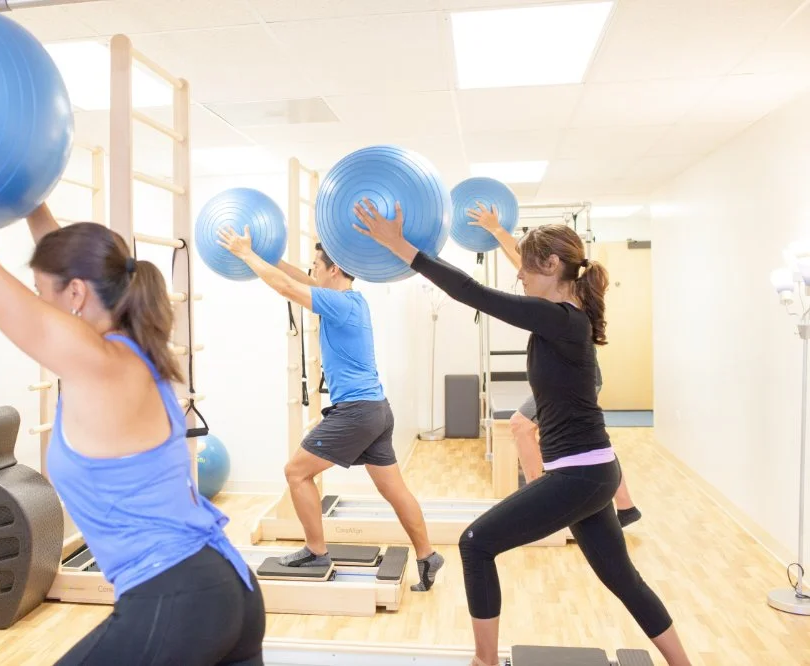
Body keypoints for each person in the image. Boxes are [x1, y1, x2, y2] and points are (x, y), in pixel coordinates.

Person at [0, 79, 265, 665]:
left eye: (40, 293)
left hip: (175, 597)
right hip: (226, 588)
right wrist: (25, 193)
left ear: (76, 295)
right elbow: (59, 255)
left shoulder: (97, 364)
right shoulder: (132, 349)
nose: (36, 305)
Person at [353, 200, 691, 666]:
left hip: (580, 476)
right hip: (595, 472)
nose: (519, 276)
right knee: (623, 578)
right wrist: (500, 234)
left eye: (528, 269)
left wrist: (401, 247)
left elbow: (473, 293)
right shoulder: (564, 313)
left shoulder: (562, 320)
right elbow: (521, 273)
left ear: (552, 266)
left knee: (476, 544)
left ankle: (484, 661)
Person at [217, 226, 444, 591]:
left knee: (296, 472)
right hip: (376, 409)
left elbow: (288, 288)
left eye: (316, 266)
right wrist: (267, 254)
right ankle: (427, 555)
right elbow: (297, 278)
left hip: (355, 411)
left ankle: (316, 550)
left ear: (333, 270)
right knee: (395, 490)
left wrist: (245, 255)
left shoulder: (338, 304)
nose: (312, 272)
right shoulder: (352, 299)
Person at [468, 204, 642, 528]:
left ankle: (541, 502)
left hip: (580, 377)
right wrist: (494, 229)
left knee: (520, 425)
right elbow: (522, 261)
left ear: (553, 264)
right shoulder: (563, 289)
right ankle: (627, 506)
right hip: (581, 376)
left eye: (534, 263)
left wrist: (496, 229)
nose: (522, 273)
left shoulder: (567, 295)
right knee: (591, 442)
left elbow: (522, 261)